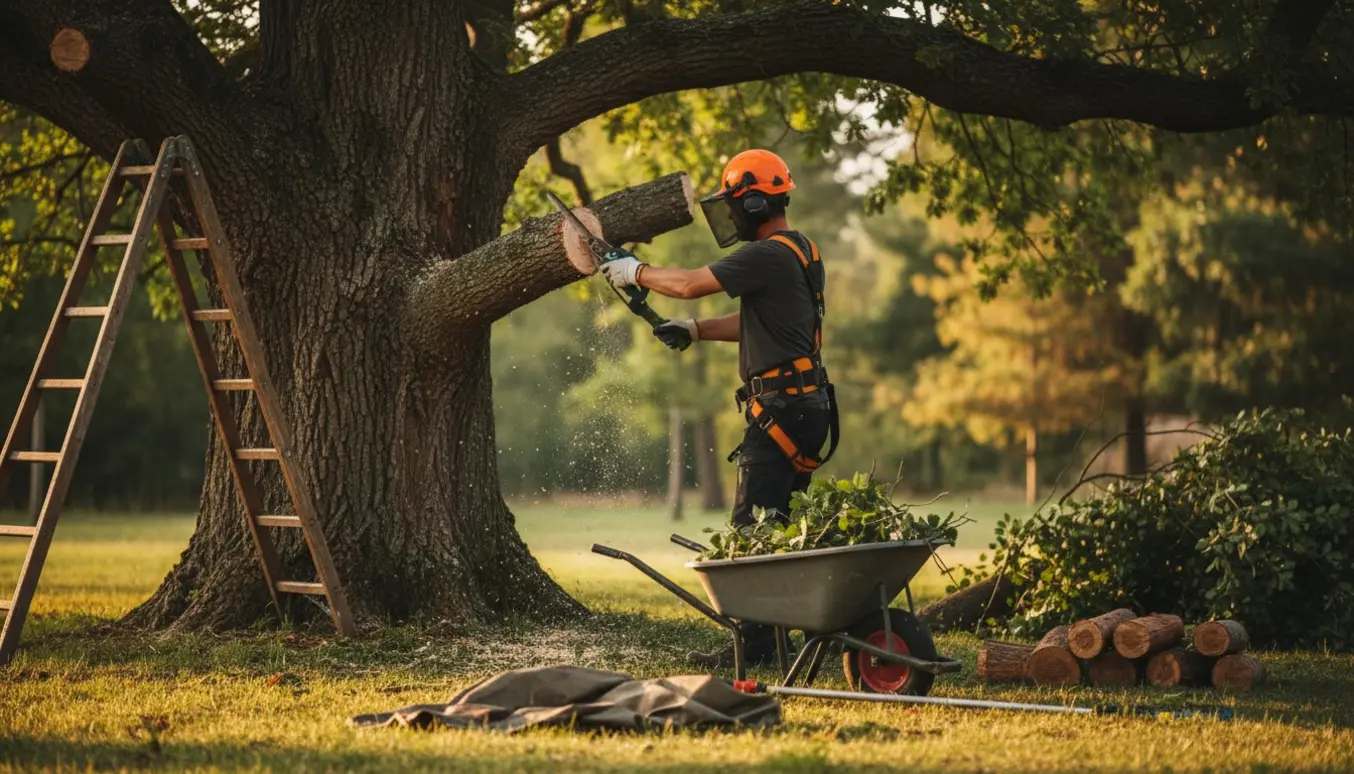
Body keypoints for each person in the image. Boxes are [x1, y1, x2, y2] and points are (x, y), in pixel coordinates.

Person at [599, 149, 839, 668]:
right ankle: (775, 638)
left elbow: (687, 285)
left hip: (782, 406)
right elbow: (766, 326)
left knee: (751, 525)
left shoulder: (767, 254)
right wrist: (696, 330)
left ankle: (755, 648)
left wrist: (635, 271)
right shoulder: (800, 251)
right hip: (804, 403)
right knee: (777, 524)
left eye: (735, 204)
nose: (730, 214)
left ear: (754, 201)